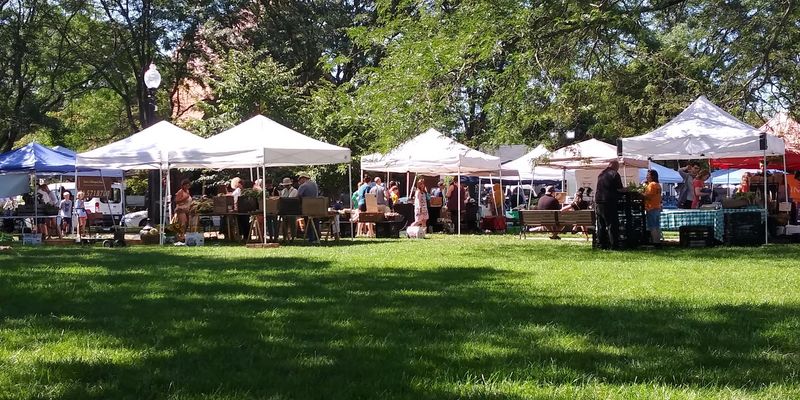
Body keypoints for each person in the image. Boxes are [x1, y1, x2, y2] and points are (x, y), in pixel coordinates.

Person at [595, 160, 625, 249]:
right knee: (612, 224)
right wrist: (627, 189)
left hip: (598, 201)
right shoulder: (614, 174)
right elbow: (619, 189)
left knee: (601, 225)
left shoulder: (601, 174)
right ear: (616, 166)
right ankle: (614, 245)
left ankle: (601, 244)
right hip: (609, 202)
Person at [297, 172, 320, 243]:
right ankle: (317, 237)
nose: (299, 182)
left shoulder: (303, 186)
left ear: (303, 179)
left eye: (300, 180)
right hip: (316, 206)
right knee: (315, 221)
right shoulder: (315, 184)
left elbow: (298, 196)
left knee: (308, 222)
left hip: (307, 207)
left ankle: (311, 238)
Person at [643, 169, 663, 246]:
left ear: (652, 176)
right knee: (657, 226)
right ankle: (658, 241)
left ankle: (655, 242)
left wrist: (639, 193)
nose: (646, 177)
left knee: (652, 226)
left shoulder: (651, 185)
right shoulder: (658, 185)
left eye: (648, 175)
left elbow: (648, 196)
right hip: (657, 207)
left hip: (651, 207)